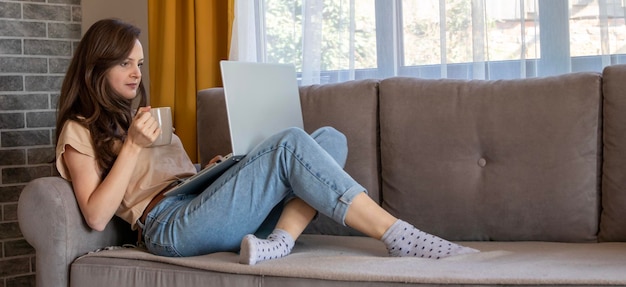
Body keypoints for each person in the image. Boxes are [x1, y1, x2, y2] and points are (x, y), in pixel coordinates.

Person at [55, 18, 478, 265]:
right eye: (125, 63)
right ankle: (399, 235)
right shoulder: (79, 129)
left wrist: (211, 170)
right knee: (291, 142)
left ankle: (279, 242)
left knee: (330, 138)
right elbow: (95, 215)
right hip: (167, 225)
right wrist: (130, 145)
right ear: (97, 66)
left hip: (199, 201)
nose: (136, 73)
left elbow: (179, 177)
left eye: (140, 63)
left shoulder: (144, 118)